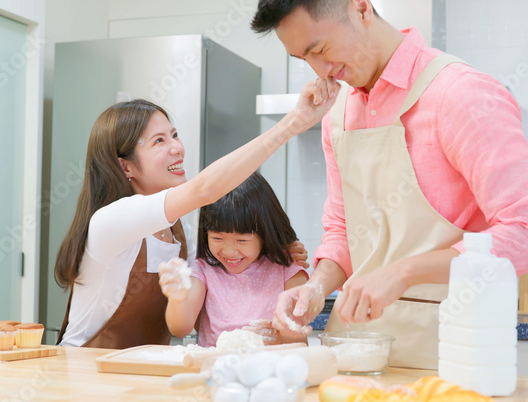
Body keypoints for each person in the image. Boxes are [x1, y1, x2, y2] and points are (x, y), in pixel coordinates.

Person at [251, 0, 528, 368]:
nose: (320, 70)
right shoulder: (337, 114)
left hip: (453, 352)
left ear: (360, 8)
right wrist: (318, 286)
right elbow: (344, 229)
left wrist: (403, 272)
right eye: (304, 59)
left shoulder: (462, 94)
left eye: (320, 48)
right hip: (354, 350)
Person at [54, 96, 330, 349]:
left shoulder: (178, 230)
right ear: (125, 166)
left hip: (136, 372)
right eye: (159, 141)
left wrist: (274, 251)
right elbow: (205, 189)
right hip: (85, 367)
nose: (178, 148)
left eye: (174, 135)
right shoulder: (110, 221)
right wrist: (293, 123)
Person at [157, 172, 308, 347]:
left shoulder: (287, 269)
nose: (229, 251)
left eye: (242, 240)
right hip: (215, 369)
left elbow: (300, 343)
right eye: (217, 239)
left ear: (266, 233)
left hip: (271, 369)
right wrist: (177, 298)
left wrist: (282, 336)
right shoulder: (204, 269)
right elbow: (180, 329)